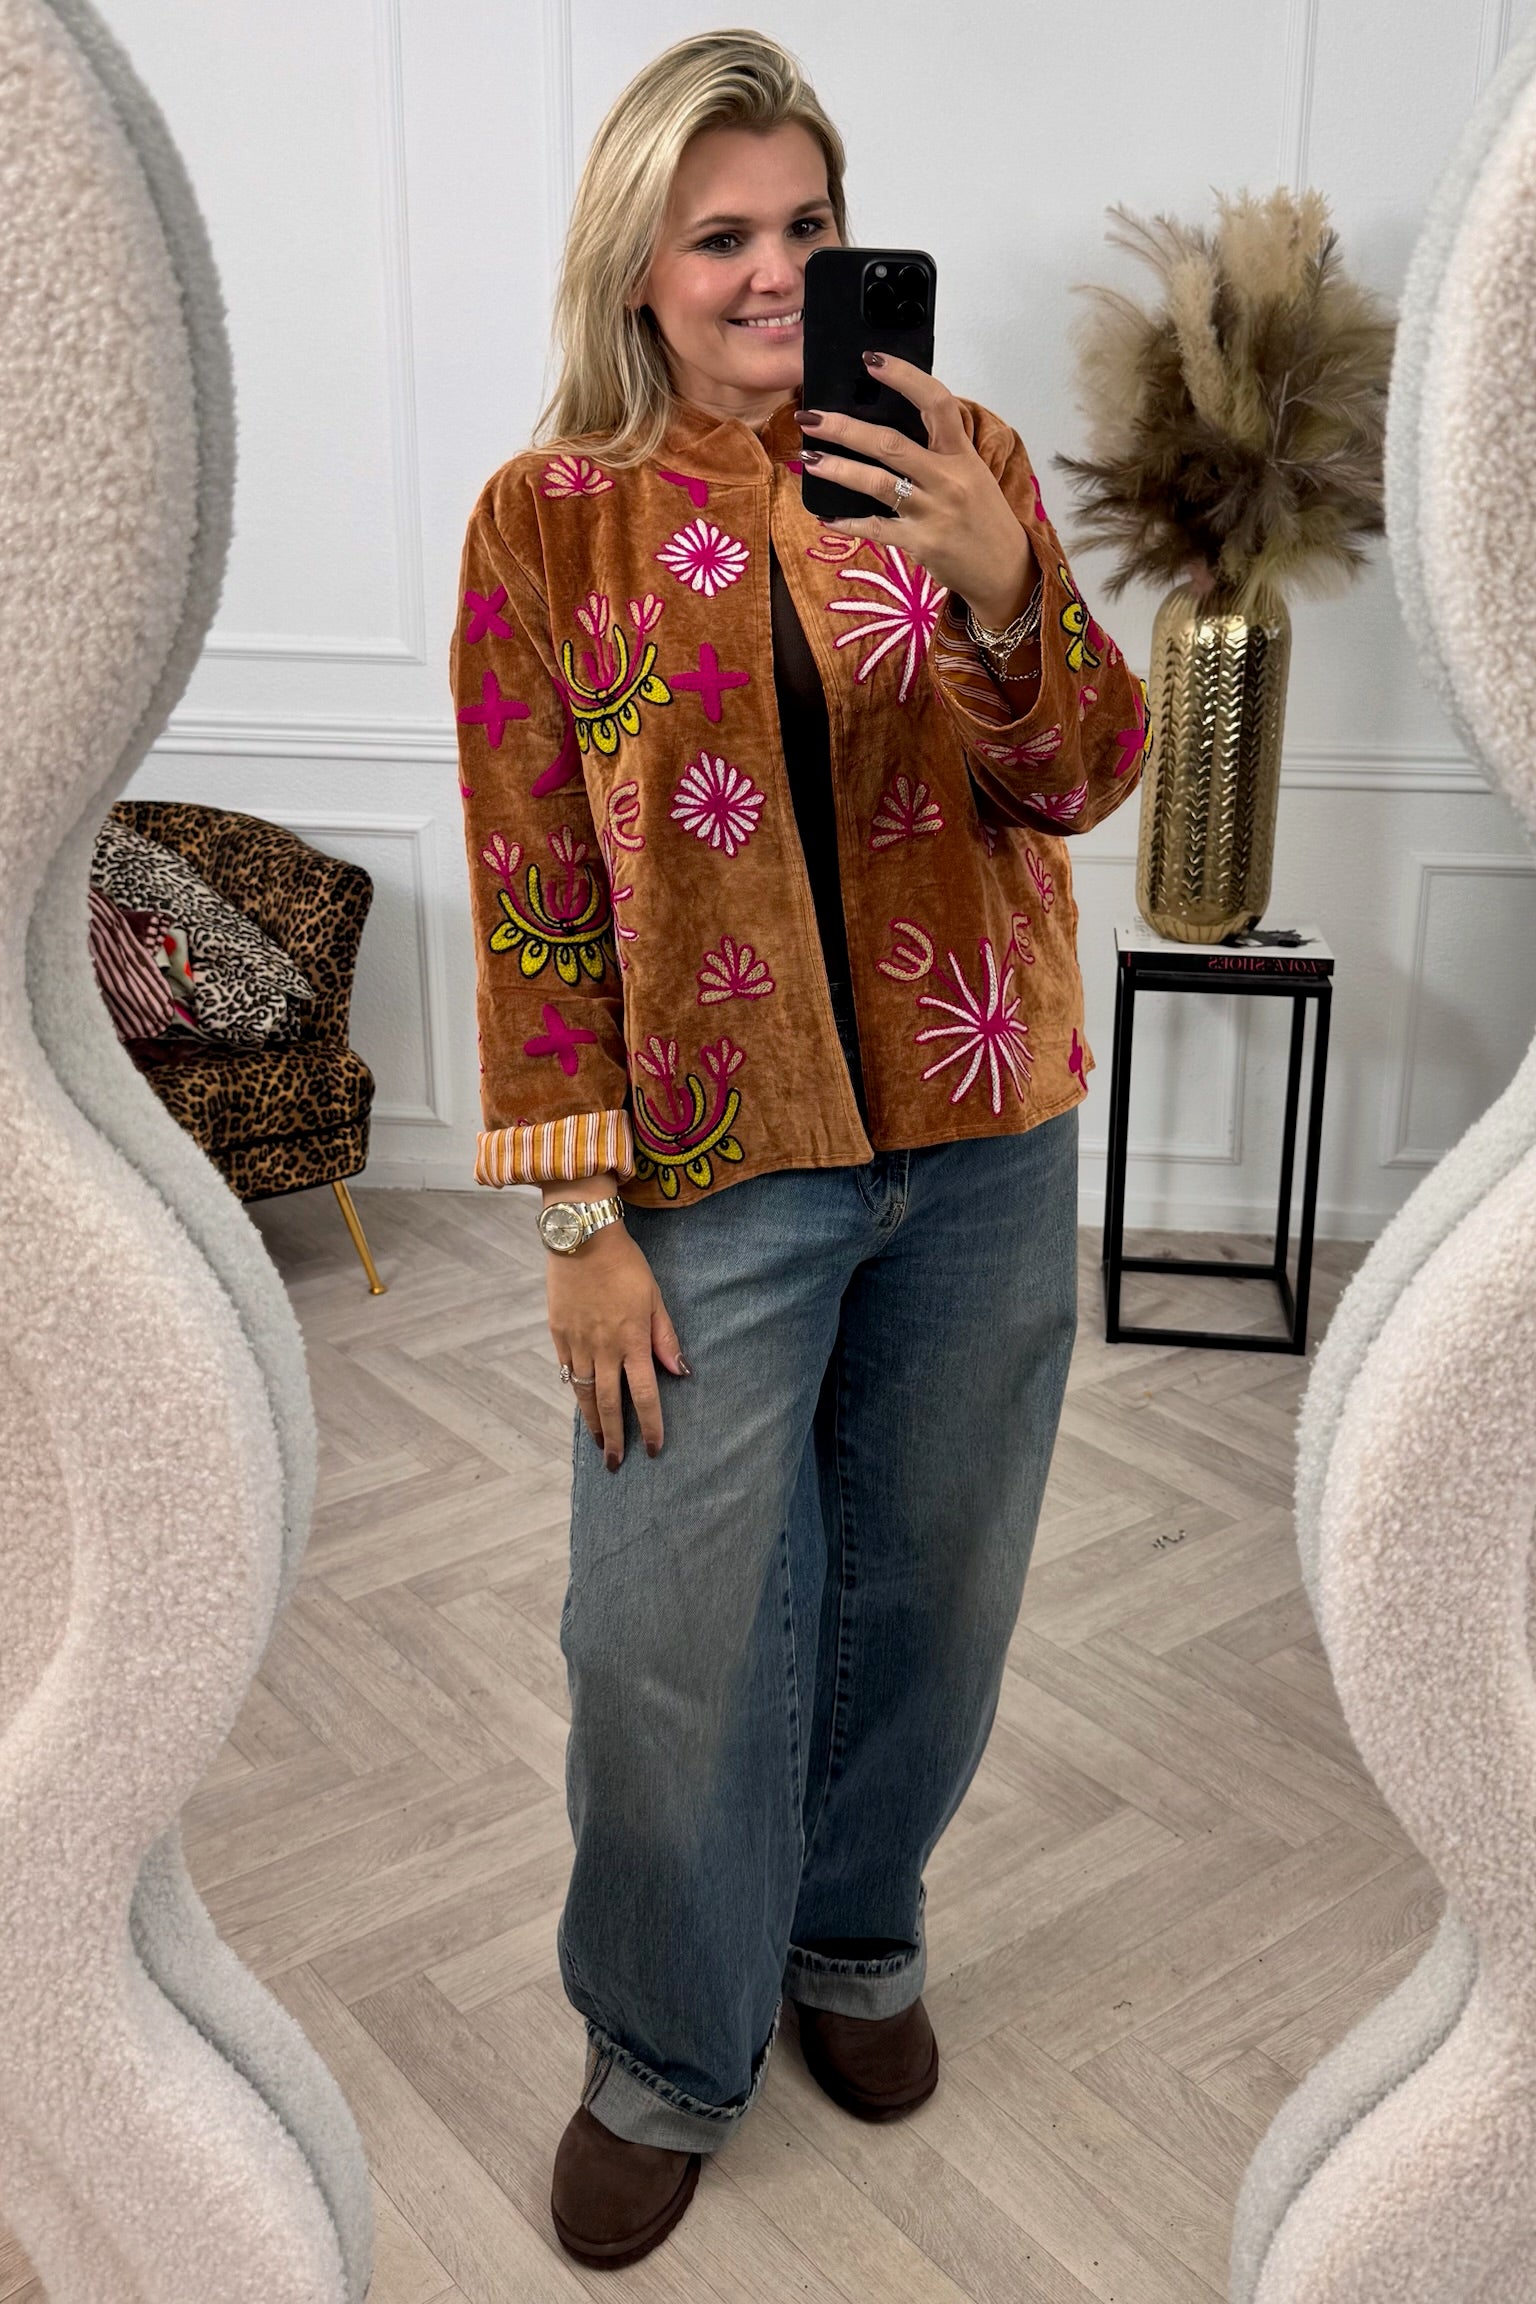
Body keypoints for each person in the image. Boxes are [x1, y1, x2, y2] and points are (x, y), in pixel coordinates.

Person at [450, 27, 1149, 2271]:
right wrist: (579, 1217)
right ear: (637, 272)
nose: (774, 273)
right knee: (659, 1635)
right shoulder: (548, 524)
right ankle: (666, 2043)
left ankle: (855, 1933)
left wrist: (1008, 587)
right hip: (708, 1168)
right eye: (721, 235)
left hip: (984, 1132)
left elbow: (1086, 778)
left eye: (809, 226)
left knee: (934, 1586)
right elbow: (536, 880)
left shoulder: (963, 455)